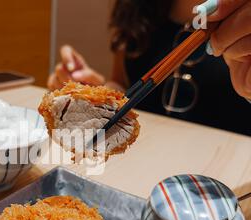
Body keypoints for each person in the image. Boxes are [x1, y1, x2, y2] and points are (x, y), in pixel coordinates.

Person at [48, 0, 251, 136]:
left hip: (225, 173)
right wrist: (97, 93)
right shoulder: (136, 6)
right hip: (145, 159)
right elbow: (122, 82)